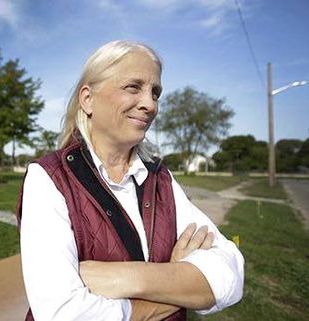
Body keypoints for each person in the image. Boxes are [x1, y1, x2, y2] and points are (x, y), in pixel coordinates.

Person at [16, 40, 244, 321]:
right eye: (133, 87)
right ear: (88, 99)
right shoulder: (48, 178)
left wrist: (130, 277)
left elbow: (229, 275)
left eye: (155, 92)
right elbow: (63, 313)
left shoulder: (160, 177)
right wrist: (176, 285)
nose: (150, 104)